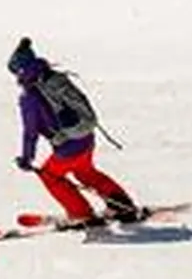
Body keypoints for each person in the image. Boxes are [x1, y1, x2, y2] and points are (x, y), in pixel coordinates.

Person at [8, 40, 143, 227]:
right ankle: (123, 206)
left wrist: (26, 158)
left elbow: (30, 132)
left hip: (68, 147)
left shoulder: (29, 96)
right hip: (86, 138)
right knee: (86, 172)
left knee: (50, 175)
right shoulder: (54, 78)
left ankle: (81, 214)